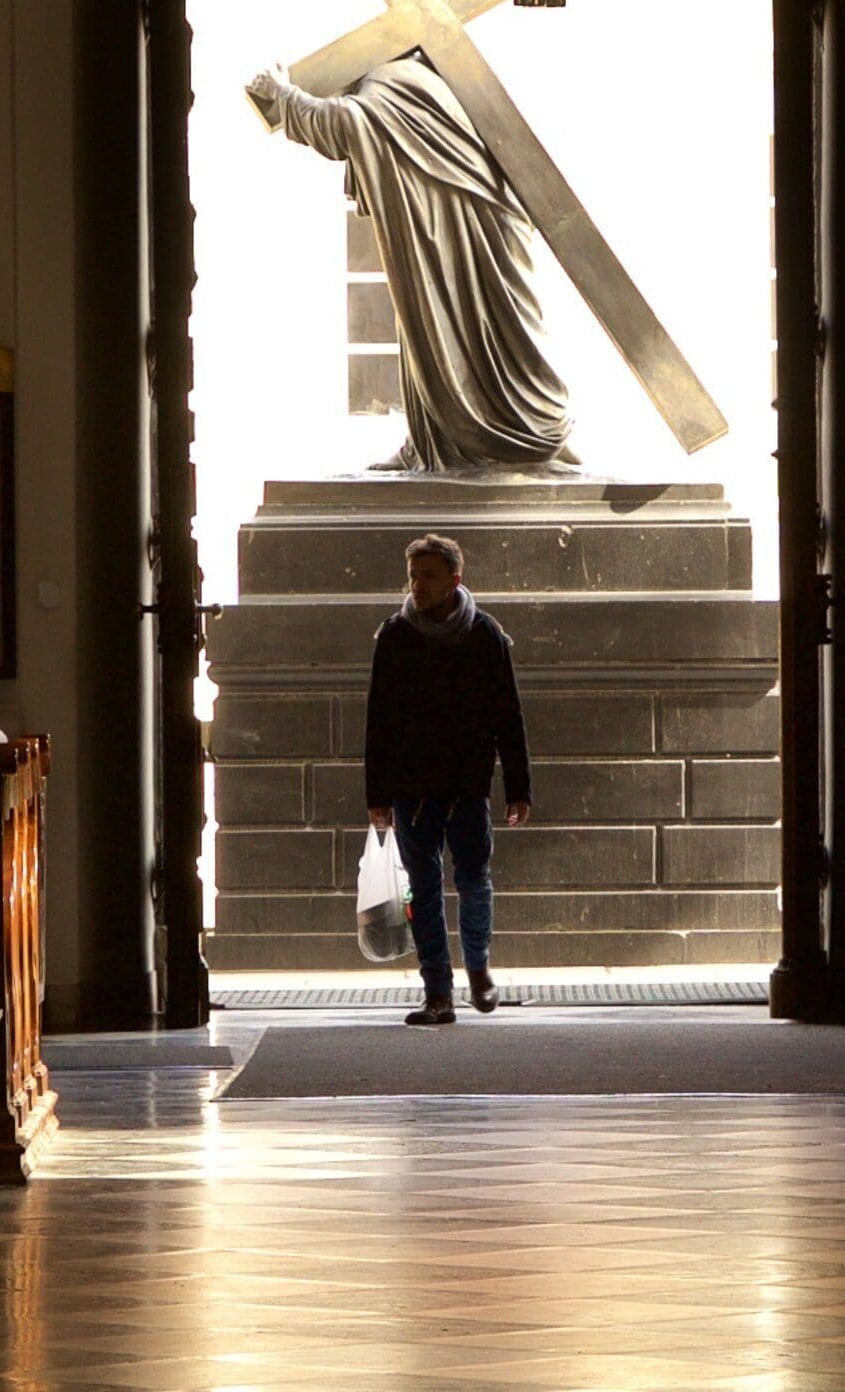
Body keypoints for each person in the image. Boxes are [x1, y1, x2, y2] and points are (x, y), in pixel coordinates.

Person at [248, 56, 576, 472]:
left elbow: (345, 125)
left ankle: (520, 433)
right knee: (440, 324)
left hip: (470, 236)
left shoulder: (386, 83)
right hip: (467, 229)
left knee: (489, 332)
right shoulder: (427, 83)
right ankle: (435, 439)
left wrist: (284, 92)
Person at [362, 531, 534, 1024]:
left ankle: (478, 971)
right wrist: (377, 793)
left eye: (429, 576)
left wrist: (518, 787)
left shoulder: (484, 635)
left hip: (467, 785)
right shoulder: (394, 635)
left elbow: (508, 714)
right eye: (414, 576)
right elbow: (379, 719)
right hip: (412, 787)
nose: (418, 586)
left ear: (455, 579)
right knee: (424, 886)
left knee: (474, 880)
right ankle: (437, 990)